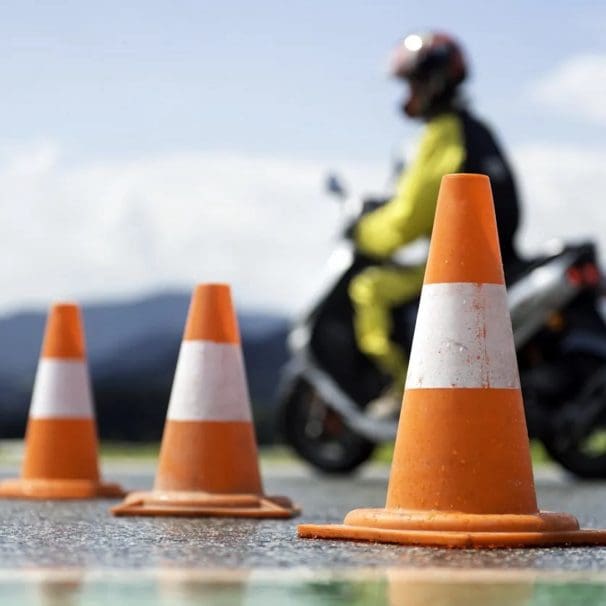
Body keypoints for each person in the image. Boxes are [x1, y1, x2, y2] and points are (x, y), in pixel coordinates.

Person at [349, 31, 521, 413]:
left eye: (413, 82)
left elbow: (410, 217)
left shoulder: (443, 133)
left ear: (435, 81)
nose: (409, 92)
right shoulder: (476, 129)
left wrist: (365, 233)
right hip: (497, 259)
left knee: (369, 290)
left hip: (464, 267)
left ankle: (402, 393)